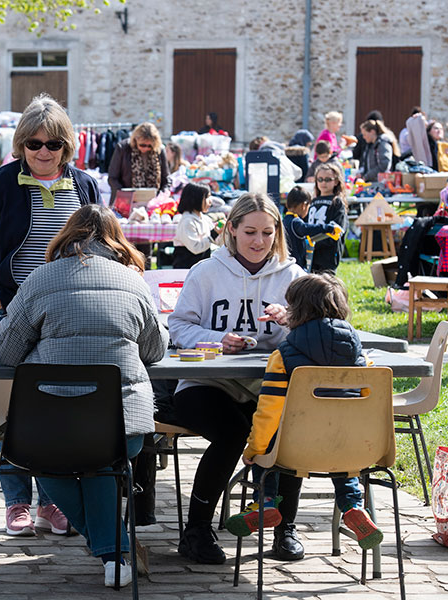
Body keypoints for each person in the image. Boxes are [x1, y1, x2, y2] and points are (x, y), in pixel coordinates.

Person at [0, 204, 168, 587]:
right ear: (116, 239)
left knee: (40, 456)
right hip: (125, 428)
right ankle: (116, 554)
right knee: (102, 459)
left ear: (65, 236)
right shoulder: (135, 282)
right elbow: (156, 350)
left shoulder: (39, 279)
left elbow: (5, 351)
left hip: (48, 429)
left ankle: (112, 550)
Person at [0, 93, 100, 537]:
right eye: (33, 143)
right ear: (20, 144)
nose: (42, 151)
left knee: (55, 407)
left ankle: (51, 502)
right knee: (12, 406)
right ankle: (16, 499)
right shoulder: (0, 184)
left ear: (66, 147)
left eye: (52, 144)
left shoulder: (84, 186)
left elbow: (98, 244)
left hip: (66, 312)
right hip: (13, 309)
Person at [167, 192, 306, 565]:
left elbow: (314, 334)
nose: (259, 242)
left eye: (267, 232)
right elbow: (178, 325)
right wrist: (216, 339)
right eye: (249, 232)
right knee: (229, 435)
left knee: (288, 433)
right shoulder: (207, 271)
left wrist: (290, 321)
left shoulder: (293, 277)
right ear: (231, 230)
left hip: (268, 385)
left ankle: (284, 527)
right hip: (207, 382)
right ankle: (197, 529)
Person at [225, 273, 383, 552]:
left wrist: (253, 449)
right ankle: (353, 506)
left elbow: (268, 412)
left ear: (295, 310)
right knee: (342, 450)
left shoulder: (283, 355)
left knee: (269, 449)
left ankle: (267, 503)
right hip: (350, 446)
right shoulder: (359, 354)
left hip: (295, 450)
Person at [107, 122, 170, 206]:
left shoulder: (159, 150)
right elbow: (112, 178)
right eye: (142, 145)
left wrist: (161, 196)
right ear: (135, 139)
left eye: (149, 146)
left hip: (153, 203)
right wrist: (125, 194)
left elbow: (166, 179)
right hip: (126, 202)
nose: (146, 148)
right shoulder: (123, 148)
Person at [307, 162, 348, 273]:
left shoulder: (337, 202)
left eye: (328, 179)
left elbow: (338, 230)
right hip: (310, 251)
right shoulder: (311, 201)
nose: (323, 183)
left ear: (336, 181)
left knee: (325, 285)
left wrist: (317, 243)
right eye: (320, 179)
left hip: (327, 254)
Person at [282, 187, 336, 271]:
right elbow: (306, 228)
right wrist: (327, 228)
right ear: (304, 205)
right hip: (296, 265)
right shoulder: (295, 222)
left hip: (285, 263)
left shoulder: (284, 221)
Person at [172, 182, 222, 269]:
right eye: (206, 197)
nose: (210, 201)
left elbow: (217, 242)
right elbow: (196, 248)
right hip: (186, 267)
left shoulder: (205, 219)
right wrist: (214, 233)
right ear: (196, 199)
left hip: (201, 267)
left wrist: (222, 232)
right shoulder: (187, 221)